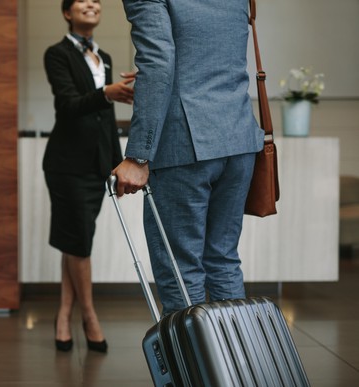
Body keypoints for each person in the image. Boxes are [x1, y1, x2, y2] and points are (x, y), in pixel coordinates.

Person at [112, 0, 265, 315]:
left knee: (181, 270)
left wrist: (138, 154)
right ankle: (234, 362)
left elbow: (157, 60)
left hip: (185, 144)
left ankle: (194, 365)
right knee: (223, 260)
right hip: (238, 136)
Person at [43, 0, 134, 352]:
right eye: (83, 0)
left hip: (97, 162)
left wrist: (118, 162)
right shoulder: (57, 54)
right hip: (66, 163)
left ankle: (63, 312)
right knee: (79, 240)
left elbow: (104, 118)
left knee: (75, 240)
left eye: (96, 0)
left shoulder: (105, 57)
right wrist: (106, 93)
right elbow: (67, 105)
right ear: (67, 12)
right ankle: (89, 315)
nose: (92, 4)